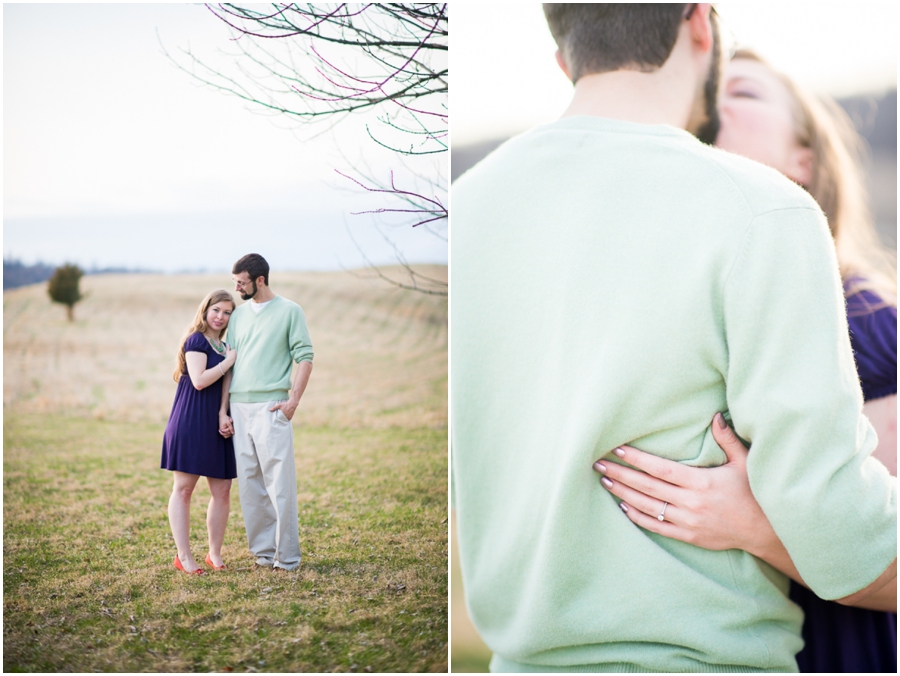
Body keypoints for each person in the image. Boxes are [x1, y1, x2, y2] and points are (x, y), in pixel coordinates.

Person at [450, 4, 896, 672]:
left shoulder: (463, 210)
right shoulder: (762, 210)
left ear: (567, 59)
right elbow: (845, 536)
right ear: (698, 24)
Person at [593, 50, 897, 672]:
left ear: (802, 159)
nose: (714, 102)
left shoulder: (865, 323)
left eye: (746, 93)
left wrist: (756, 525)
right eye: (710, 89)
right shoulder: (672, 313)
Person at [220, 253, 313, 572]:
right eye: (234, 282)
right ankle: (263, 552)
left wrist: (293, 402)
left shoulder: (290, 311)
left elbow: (305, 357)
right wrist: (224, 410)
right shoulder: (239, 316)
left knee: (280, 485)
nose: (236, 288)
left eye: (241, 282)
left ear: (260, 280)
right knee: (249, 483)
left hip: (272, 407)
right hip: (239, 407)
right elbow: (229, 365)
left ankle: (287, 557)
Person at [161, 289, 238, 575]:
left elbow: (225, 384)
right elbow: (200, 381)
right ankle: (183, 556)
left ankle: (214, 554)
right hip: (190, 421)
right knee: (183, 490)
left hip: (215, 423)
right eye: (216, 309)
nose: (221, 316)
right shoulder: (196, 339)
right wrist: (230, 361)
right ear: (206, 309)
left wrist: (222, 413)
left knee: (223, 491)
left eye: (227, 312)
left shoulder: (224, 345)